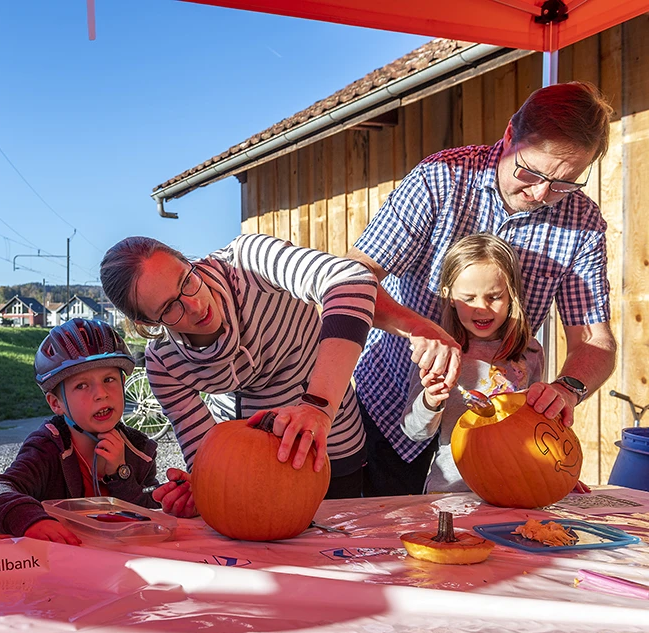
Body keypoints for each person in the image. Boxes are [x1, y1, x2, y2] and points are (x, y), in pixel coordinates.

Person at [348, 81, 618, 496]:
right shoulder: (441, 180)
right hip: (389, 411)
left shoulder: (582, 223)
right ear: (510, 135)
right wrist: (421, 330)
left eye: (564, 183)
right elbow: (353, 277)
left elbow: (595, 342)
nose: (542, 194)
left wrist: (568, 388)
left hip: (492, 440)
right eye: (530, 172)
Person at [100, 233, 378, 513]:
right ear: (147, 322)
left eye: (187, 280)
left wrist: (318, 407)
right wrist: (205, 487)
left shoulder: (248, 262)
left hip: (330, 445)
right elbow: (204, 453)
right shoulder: (164, 363)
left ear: (188, 261)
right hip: (252, 471)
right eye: (170, 308)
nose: (195, 306)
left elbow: (351, 280)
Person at [0, 319, 184, 545]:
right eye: (82, 385)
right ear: (56, 403)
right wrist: (32, 521)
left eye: (109, 379)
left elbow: (147, 517)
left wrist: (122, 474)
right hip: (61, 565)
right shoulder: (48, 446)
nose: (101, 394)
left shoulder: (140, 450)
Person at [400, 234, 549, 492]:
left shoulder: (530, 352)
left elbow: (537, 426)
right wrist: (430, 401)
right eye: (468, 298)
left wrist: (556, 470)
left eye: (493, 297)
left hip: (517, 488)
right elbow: (414, 432)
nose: (482, 308)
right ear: (448, 296)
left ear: (512, 293)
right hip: (451, 492)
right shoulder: (438, 353)